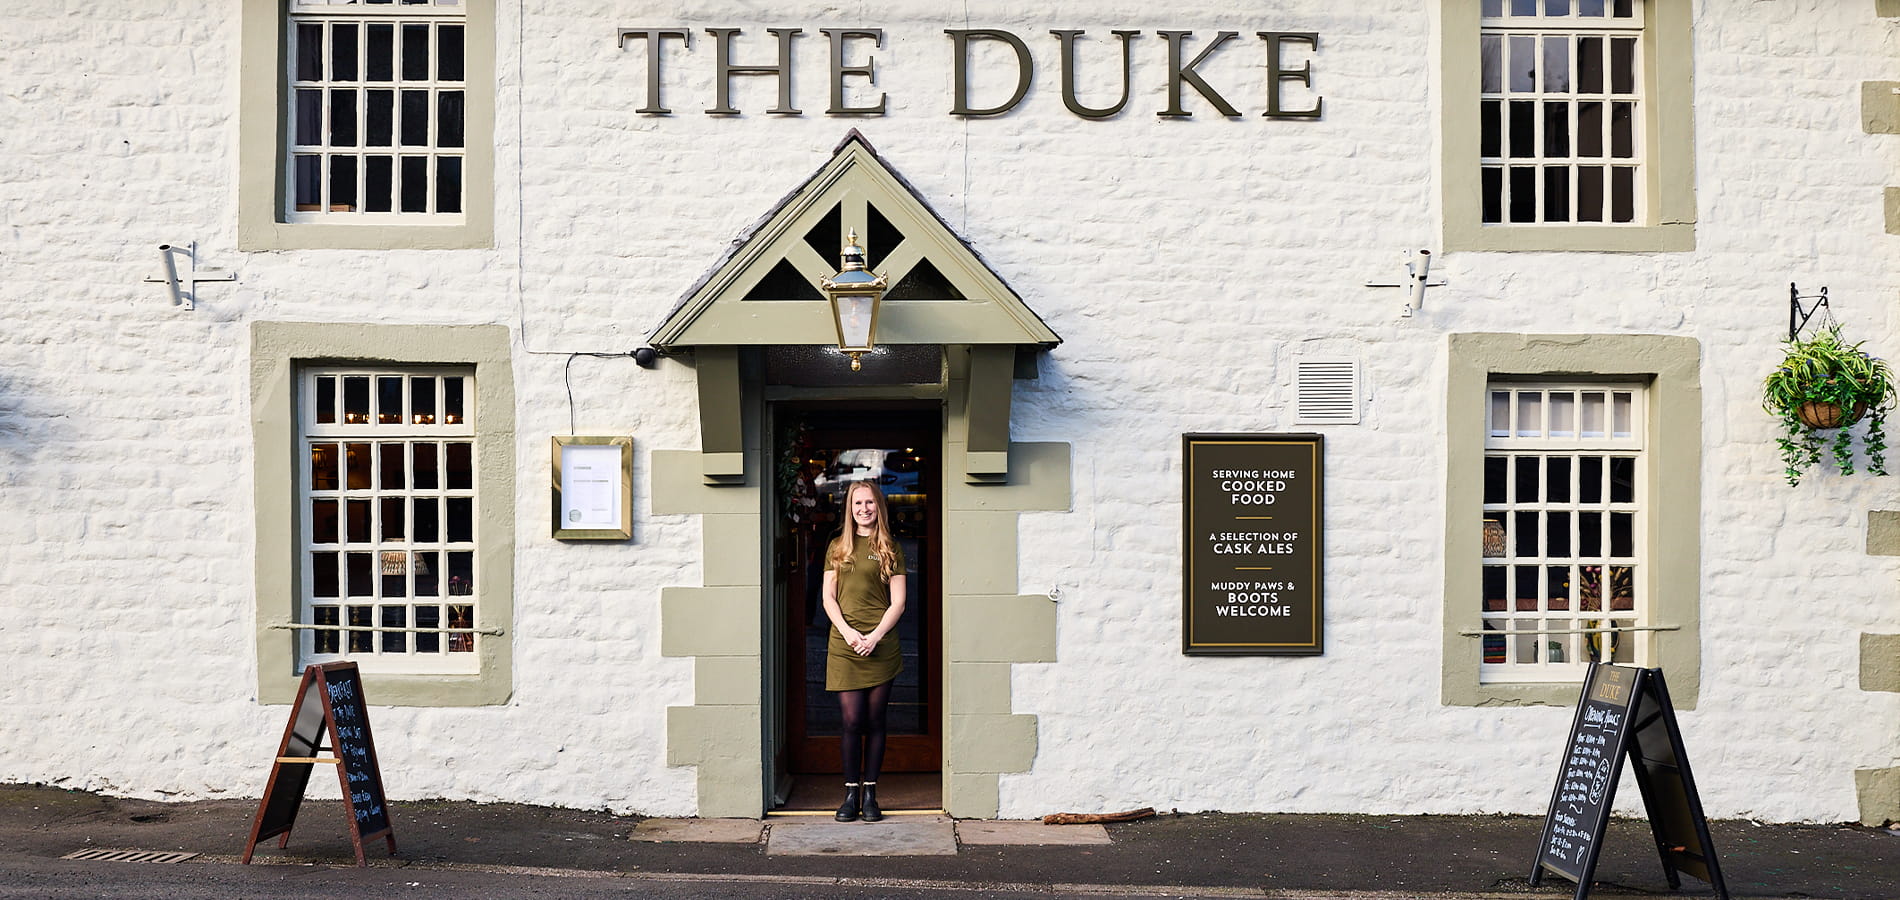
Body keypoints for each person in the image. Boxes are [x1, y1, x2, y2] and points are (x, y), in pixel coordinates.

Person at [820, 479, 907, 823]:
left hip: (881, 644)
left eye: (869, 503)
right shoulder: (837, 547)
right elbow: (828, 597)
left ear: (878, 506)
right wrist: (850, 634)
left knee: (875, 720)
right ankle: (850, 794)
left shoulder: (890, 548)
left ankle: (870, 794)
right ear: (850, 508)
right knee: (852, 720)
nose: (864, 509)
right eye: (858, 504)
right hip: (845, 644)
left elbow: (899, 601)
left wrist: (874, 636)